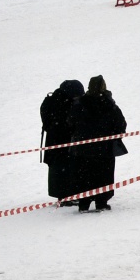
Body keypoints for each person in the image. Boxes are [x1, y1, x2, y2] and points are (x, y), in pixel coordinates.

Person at [71, 75, 127, 213]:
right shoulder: (108, 103)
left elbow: (71, 122)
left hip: (83, 148)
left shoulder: (80, 103)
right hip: (104, 149)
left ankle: (83, 203)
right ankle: (101, 202)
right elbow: (120, 124)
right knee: (103, 176)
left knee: (83, 176)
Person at [39, 79, 84, 204]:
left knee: (57, 168)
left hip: (53, 142)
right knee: (66, 168)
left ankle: (62, 195)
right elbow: (69, 122)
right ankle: (67, 196)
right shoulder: (65, 103)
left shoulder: (52, 100)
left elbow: (47, 122)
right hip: (64, 141)